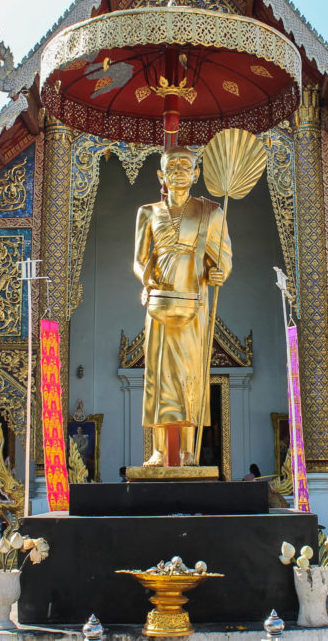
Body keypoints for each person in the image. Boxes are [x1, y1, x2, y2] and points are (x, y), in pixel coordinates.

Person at [135, 146, 231, 466]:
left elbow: (223, 258)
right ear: (161, 175)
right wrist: (147, 284)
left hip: (194, 303)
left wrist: (219, 272)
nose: (178, 169)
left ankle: (188, 450)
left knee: (190, 374)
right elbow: (139, 260)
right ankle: (160, 449)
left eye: (185, 165)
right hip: (160, 303)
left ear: (196, 174)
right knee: (158, 374)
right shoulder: (148, 212)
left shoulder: (211, 212)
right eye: (171, 165)